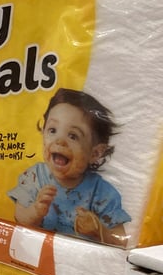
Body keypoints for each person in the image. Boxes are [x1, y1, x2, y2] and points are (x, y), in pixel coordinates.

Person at [9, 88, 129, 246]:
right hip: (38, 256)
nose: (60, 141)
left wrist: (99, 230)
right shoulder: (34, 177)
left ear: (95, 153)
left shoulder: (102, 194)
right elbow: (19, 216)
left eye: (73, 136)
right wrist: (35, 212)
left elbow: (121, 241)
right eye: (52, 130)